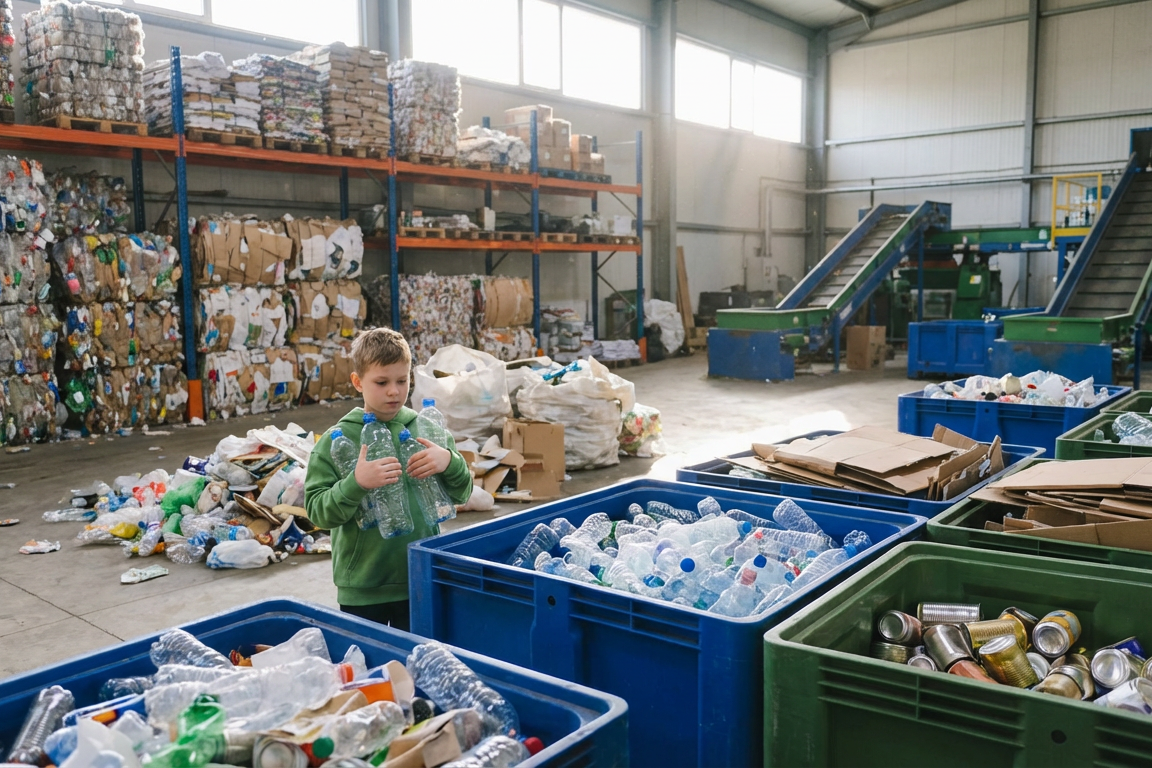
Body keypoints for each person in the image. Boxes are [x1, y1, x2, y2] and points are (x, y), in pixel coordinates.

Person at [305, 328, 473, 630]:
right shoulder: (336, 440)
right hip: (363, 588)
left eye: (402, 380)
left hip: (420, 577)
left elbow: (462, 493)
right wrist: (355, 483)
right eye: (381, 383)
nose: (394, 391)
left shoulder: (426, 430)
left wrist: (449, 462)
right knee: (366, 658)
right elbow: (318, 512)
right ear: (358, 382)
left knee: (417, 656)